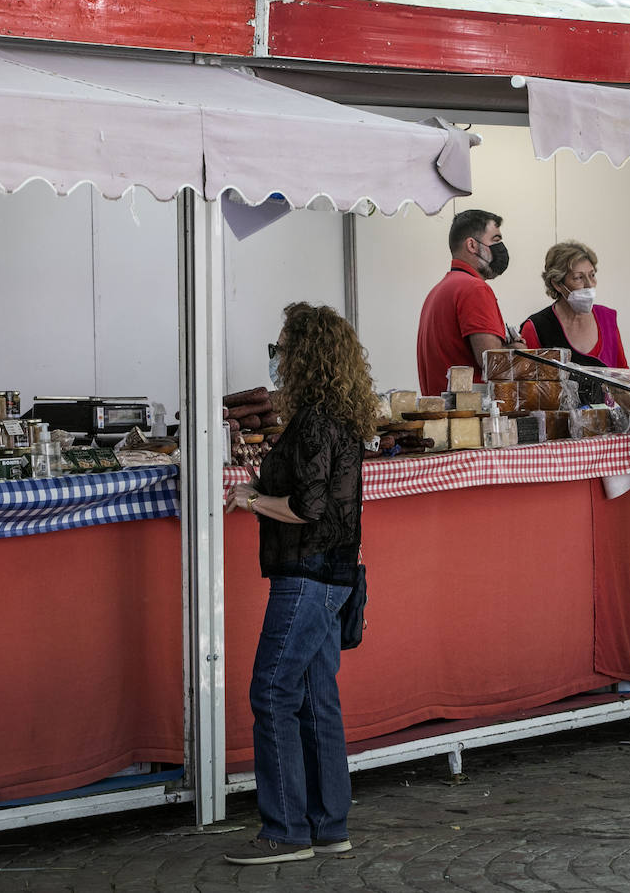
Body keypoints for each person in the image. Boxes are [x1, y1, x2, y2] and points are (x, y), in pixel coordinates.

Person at [223, 302, 373, 866]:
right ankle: (329, 825)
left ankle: (285, 830)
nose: (277, 355)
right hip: (333, 574)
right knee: (316, 699)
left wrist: (250, 498)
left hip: (307, 574)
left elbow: (308, 507)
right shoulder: (340, 417)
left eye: (282, 346)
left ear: (303, 354)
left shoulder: (312, 420)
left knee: (272, 692)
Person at [415, 209, 525, 395]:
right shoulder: (474, 289)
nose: (501, 248)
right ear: (472, 245)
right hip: (470, 416)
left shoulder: (439, 290)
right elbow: (491, 362)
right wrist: (518, 350)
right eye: (496, 240)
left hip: (443, 413)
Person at [519, 240, 629, 368]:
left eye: (592, 275)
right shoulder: (536, 328)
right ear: (557, 284)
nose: (589, 284)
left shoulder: (607, 318)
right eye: (578, 278)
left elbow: (623, 376)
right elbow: (528, 383)